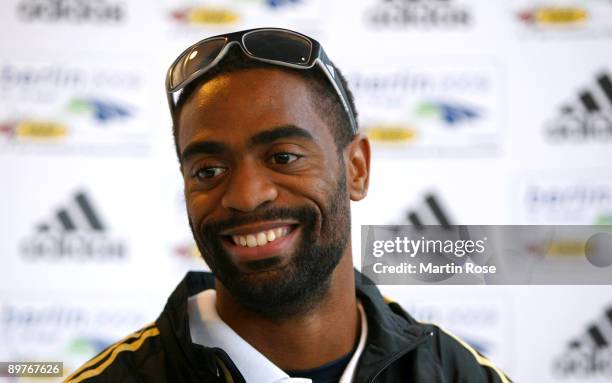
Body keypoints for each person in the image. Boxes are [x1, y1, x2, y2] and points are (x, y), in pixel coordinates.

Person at [65, 27, 511, 383]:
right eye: (208, 171)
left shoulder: (462, 375)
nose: (245, 195)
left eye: (283, 157)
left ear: (356, 168)